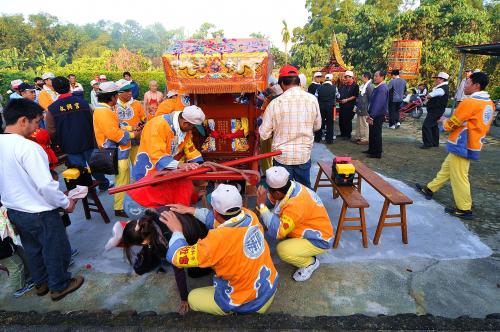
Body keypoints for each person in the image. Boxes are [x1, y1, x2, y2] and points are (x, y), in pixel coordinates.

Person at [0, 99, 84, 301]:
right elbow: (46, 185)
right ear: (23, 120)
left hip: (14, 209)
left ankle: (41, 283)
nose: (38, 127)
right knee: (54, 248)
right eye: (37, 122)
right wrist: (66, 204)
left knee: (32, 248)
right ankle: (59, 285)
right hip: (39, 211)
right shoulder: (29, 148)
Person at [161, 184, 278, 315]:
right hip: (269, 287)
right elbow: (214, 220)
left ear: (215, 212)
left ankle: (235, 313)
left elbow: (176, 256)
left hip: (250, 304)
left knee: (193, 297)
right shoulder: (250, 216)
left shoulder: (214, 242)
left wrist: (177, 231)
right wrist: (190, 210)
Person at [416, 72, 494, 219]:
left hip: (462, 142)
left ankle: (464, 208)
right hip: (474, 141)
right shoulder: (489, 103)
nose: (464, 85)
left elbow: (454, 122)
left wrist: (444, 121)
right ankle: (430, 189)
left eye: (468, 82)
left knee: (459, 176)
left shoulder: (470, 102)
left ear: (476, 86)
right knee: (447, 169)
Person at [111, 208, 211, 315]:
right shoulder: (148, 217)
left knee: (194, 272)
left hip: (202, 239)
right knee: (156, 253)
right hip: (195, 221)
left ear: (145, 241)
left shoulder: (169, 241)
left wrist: (184, 298)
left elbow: (179, 272)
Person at [257, 166, 333, 281]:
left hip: (319, 239)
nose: (269, 194)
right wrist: (262, 200)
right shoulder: (290, 186)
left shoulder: (296, 204)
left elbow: (278, 232)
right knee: (268, 221)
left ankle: (310, 263)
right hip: (306, 228)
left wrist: (262, 206)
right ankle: (300, 249)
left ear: (277, 193)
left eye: (270, 192)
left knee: (283, 250)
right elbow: (271, 199)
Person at [259, 65, 321, 188]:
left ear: (281, 83)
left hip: (282, 156)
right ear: (298, 81)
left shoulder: (276, 103)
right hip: (303, 155)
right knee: (303, 192)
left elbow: (264, 133)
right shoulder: (312, 99)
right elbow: (318, 126)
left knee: (282, 193)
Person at [45, 76, 110, 190]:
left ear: (54, 89)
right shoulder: (83, 103)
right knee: (95, 164)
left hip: (70, 145)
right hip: (88, 140)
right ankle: (103, 184)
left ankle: (88, 191)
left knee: (79, 168)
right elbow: (94, 120)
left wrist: (60, 142)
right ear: (69, 86)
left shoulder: (52, 109)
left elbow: (51, 131)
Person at [93, 81, 141, 217]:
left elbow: (117, 127)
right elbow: (114, 133)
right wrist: (133, 134)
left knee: (123, 180)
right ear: (112, 97)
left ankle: (121, 205)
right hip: (116, 152)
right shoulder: (103, 112)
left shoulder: (105, 110)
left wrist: (132, 128)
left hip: (120, 152)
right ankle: (119, 207)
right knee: (121, 181)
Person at [132, 105, 204, 181]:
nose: (192, 130)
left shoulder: (185, 131)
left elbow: (190, 149)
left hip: (166, 172)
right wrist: (180, 165)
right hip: (147, 171)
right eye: (193, 127)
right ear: (186, 123)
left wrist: (199, 164)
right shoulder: (157, 125)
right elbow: (157, 154)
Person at [116, 79, 146, 164]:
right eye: (126, 91)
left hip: (135, 137)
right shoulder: (114, 105)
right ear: (119, 93)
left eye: (130, 90)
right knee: (123, 167)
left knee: (137, 163)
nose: (130, 92)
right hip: (121, 139)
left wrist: (144, 121)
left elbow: (143, 117)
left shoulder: (136, 103)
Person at [421, 72, 450, 149]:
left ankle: (428, 143)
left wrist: (427, 97)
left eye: (437, 78)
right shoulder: (443, 87)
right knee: (433, 126)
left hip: (435, 110)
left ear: (441, 79)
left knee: (426, 126)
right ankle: (434, 142)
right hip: (437, 110)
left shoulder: (441, 88)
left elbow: (430, 95)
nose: (436, 80)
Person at [364, 70, 389, 159]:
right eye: (374, 76)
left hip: (377, 115)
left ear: (382, 77)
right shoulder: (378, 87)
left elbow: (378, 104)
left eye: (376, 76)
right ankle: (371, 149)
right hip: (374, 113)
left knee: (376, 133)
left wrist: (372, 115)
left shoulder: (382, 88)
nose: (374, 77)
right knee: (372, 132)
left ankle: (377, 152)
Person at [314, 73, 337, 144]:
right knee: (330, 123)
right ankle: (329, 140)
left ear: (325, 79)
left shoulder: (319, 87)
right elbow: (338, 95)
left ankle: (317, 138)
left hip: (321, 107)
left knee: (320, 122)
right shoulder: (334, 87)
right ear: (331, 79)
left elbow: (315, 96)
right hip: (330, 107)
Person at [353, 72, 374, 145]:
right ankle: (359, 137)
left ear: (365, 77)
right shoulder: (363, 86)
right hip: (360, 108)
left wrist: (369, 110)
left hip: (365, 109)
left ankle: (365, 138)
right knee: (359, 124)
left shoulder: (370, 86)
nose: (361, 78)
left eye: (362, 76)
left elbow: (371, 99)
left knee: (364, 124)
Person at [337, 70, 359, 139]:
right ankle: (342, 133)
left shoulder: (355, 86)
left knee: (347, 120)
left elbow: (355, 96)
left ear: (351, 77)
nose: (345, 79)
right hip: (342, 105)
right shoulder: (344, 85)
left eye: (346, 77)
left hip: (350, 106)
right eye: (345, 77)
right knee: (341, 120)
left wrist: (346, 100)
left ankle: (347, 135)